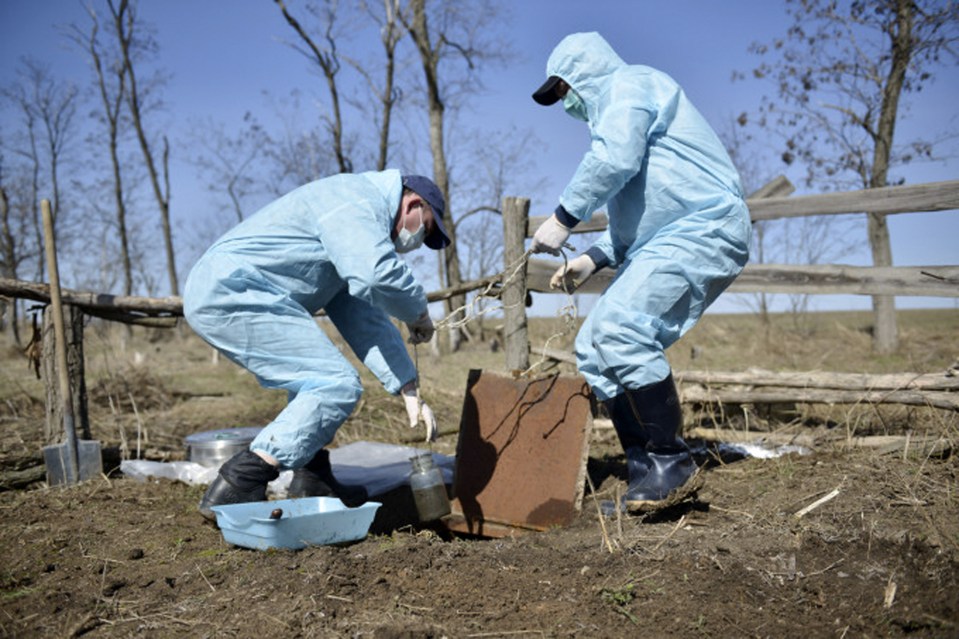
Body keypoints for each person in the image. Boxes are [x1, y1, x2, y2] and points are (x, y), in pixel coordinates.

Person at [529, 32, 751, 510]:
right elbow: (639, 218)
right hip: (670, 235)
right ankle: (643, 468)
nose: (565, 103)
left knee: (622, 327)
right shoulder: (613, 119)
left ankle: (673, 462)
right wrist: (592, 259)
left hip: (705, 226)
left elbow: (614, 161)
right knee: (593, 346)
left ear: (584, 74)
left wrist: (563, 219)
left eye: (565, 90)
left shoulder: (630, 85)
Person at [183, 170, 450, 520]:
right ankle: (241, 480)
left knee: (312, 380)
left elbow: (364, 317)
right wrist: (417, 310)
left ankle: (312, 478)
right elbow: (374, 273)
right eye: (426, 229)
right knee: (334, 383)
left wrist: (407, 384)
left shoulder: (354, 234)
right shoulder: (356, 199)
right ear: (414, 202)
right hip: (234, 290)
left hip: (242, 291)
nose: (418, 242)